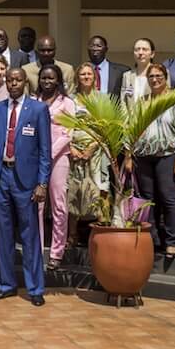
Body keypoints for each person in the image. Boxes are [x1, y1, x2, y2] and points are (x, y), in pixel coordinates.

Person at [0, 68, 51, 307]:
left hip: (26, 180)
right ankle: (6, 284)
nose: (13, 83)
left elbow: (46, 151)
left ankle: (35, 287)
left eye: (17, 80)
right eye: (9, 80)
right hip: (2, 176)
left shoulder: (38, 109)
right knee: (3, 234)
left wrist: (42, 183)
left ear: (25, 82)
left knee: (29, 234)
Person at [127, 62, 175, 259]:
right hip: (143, 158)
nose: (155, 79)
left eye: (159, 76)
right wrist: (129, 157)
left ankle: (171, 242)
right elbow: (132, 130)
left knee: (168, 198)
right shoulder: (143, 102)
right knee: (147, 200)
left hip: (166, 156)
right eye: (151, 77)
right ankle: (153, 239)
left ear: (166, 78)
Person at [34, 65, 75, 270]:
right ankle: (38, 250)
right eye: (43, 78)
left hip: (59, 158)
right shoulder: (33, 102)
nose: (47, 82)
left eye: (51, 78)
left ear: (58, 80)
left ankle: (57, 252)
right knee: (38, 205)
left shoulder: (67, 103)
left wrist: (49, 153)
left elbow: (69, 132)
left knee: (59, 205)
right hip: (36, 160)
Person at [66, 64, 108, 245]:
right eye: (82, 73)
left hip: (97, 151)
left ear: (95, 77)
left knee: (101, 189)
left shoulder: (102, 99)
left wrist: (92, 146)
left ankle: (103, 230)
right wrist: (72, 148)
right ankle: (72, 234)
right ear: (77, 77)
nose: (86, 76)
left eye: (89, 73)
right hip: (75, 151)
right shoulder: (70, 100)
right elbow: (64, 126)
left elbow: (107, 126)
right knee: (75, 191)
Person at [121, 38, 158, 106]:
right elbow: (123, 101)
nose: (140, 53)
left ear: (152, 54)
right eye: (137, 49)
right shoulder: (127, 75)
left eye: (144, 49)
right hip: (130, 116)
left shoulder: (160, 74)